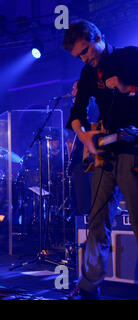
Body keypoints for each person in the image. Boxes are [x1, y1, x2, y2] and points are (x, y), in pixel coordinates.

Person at [62, 20, 138, 299]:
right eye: (80, 56)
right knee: (97, 221)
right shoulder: (87, 73)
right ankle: (88, 288)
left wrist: (127, 87)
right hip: (105, 153)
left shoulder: (130, 56)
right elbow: (76, 113)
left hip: (133, 148)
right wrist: (86, 139)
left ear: (98, 37)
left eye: (86, 50)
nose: (86, 58)